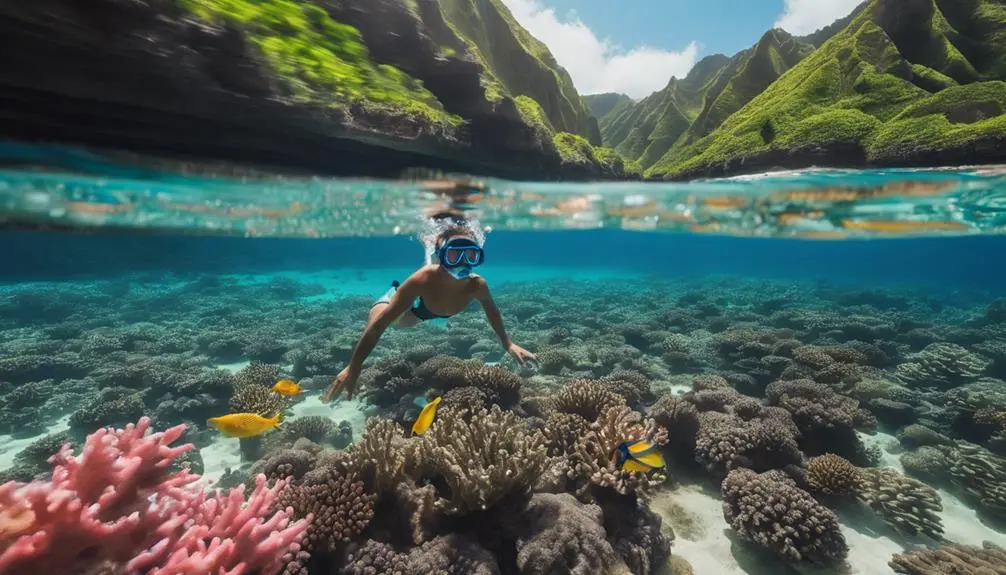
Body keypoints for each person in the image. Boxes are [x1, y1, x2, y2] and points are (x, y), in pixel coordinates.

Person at [322, 215, 536, 402]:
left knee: (397, 324)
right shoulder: (423, 279)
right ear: (441, 256)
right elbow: (379, 328)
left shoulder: (477, 285)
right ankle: (389, 295)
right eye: (454, 255)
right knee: (390, 321)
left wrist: (507, 343)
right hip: (417, 309)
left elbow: (493, 312)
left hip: (429, 311)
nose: (463, 262)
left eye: (470, 255)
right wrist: (354, 367)